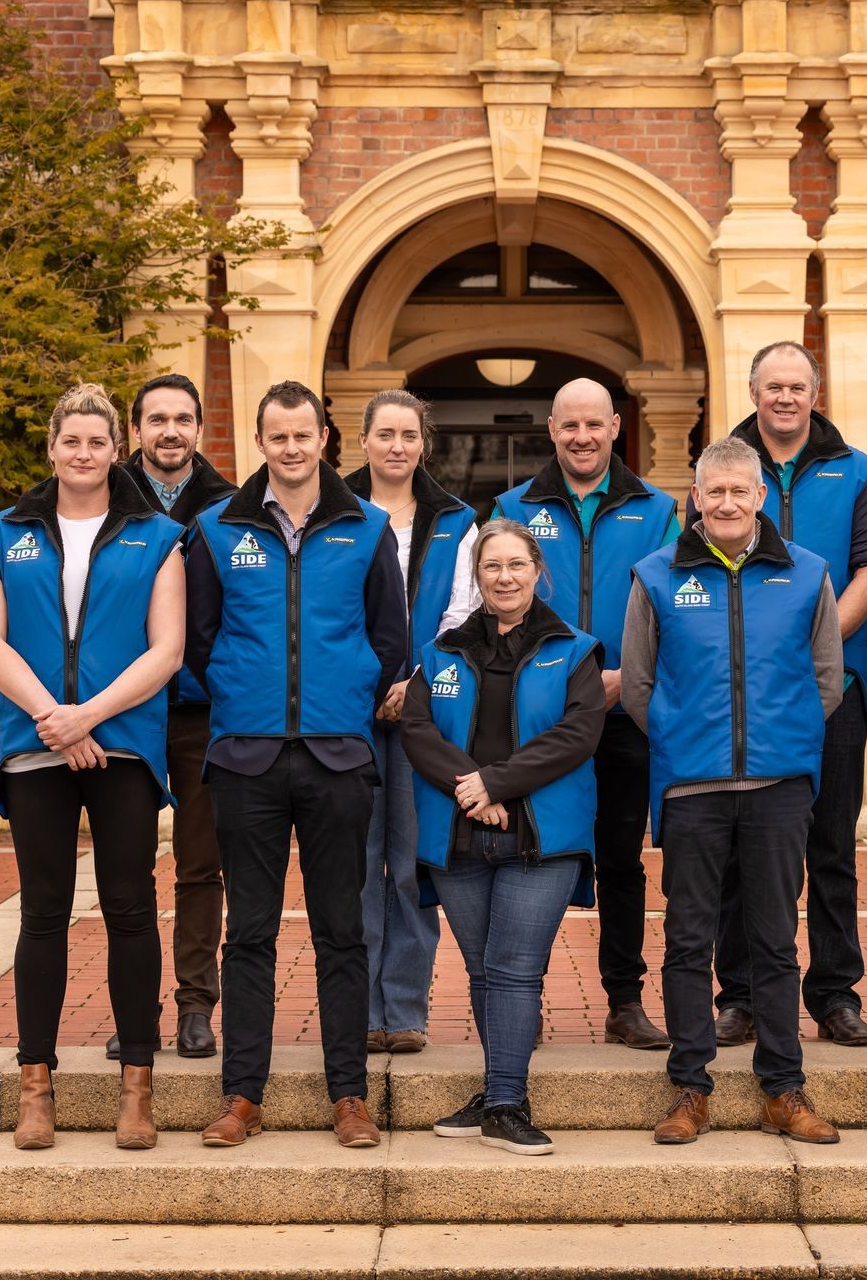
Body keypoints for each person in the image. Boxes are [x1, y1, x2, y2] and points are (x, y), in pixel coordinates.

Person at [185, 380, 410, 1149]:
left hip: (337, 756)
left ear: (324, 439)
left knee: (342, 931)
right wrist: (241, 695)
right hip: (245, 758)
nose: (290, 448)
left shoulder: (366, 525)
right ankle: (242, 1093)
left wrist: (345, 696)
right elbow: (196, 640)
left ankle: (348, 1094)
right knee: (248, 932)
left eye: (302, 435)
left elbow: (391, 639)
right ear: (260, 441)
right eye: (276, 436)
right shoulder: (216, 529)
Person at [0, 383, 186, 1152]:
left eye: (98, 442)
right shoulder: (6, 533)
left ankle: (137, 1087)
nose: (85, 453)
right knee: (44, 913)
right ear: (52, 448)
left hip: (121, 745)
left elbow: (167, 649)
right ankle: (37, 1087)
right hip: (36, 747)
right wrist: (52, 723)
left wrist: (86, 716)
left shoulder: (156, 536)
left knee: (130, 909)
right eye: (72, 441)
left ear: (114, 450)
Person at [624, 437, 844, 1146]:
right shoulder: (656, 575)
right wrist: (680, 732)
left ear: (758, 497)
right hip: (692, 784)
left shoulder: (807, 573)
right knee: (688, 939)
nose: (724, 503)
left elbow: (827, 677)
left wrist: (787, 739)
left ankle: (784, 1086)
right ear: (695, 498)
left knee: (775, 939)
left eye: (737, 491)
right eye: (711, 491)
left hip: (779, 783)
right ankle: (691, 1086)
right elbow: (637, 684)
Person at [705, 341, 867, 1050]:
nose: (785, 397)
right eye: (772, 385)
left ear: (816, 391)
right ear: (752, 390)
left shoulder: (856, 470)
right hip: (742, 696)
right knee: (738, 849)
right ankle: (742, 994)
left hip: (833, 689)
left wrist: (809, 645)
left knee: (831, 846)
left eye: (797, 386)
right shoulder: (725, 462)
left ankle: (835, 991)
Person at [401, 519, 605, 1156]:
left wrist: (496, 785)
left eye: (517, 565)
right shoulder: (440, 654)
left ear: (538, 572)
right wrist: (471, 789)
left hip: (539, 840)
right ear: (477, 577)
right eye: (492, 567)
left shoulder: (575, 651)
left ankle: (507, 1104)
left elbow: (576, 736)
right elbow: (417, 730)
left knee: (515, 971)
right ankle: (496, 1091)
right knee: (484, 973)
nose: (505, 577)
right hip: (460, 840)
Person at [493, 378, 680, 1050]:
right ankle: (525, 994)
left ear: (615, 428)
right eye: (569, 425)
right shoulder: (513, 506)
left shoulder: (657, 510)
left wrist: (624, 676)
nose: (581, 437)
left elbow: (671, 608)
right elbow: (499, 602)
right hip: (542, 719)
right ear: (551, 428)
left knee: (623, 860)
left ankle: (624, 1000)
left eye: (593, 425)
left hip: (625, 710)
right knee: (534, 858)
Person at [344, 389, 480, 1055]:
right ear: (362, 440)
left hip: (425, 712)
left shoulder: (456, 520)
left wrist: (416, 683)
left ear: (423, 443)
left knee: (410, 861)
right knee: (357, 865)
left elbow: (463, 617)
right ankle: (360, 1007)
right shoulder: (332, 513)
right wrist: (364, 684)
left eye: (409, 434)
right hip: (346, 712)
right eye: (385, 434)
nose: (397, 446)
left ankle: (404, 1008)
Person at [112, 372, 237, 1063]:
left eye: (182, 418)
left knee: (200, 865)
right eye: (156, 418)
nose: (169, 430)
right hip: (124, 707)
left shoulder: (229, 505)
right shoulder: (101, 499)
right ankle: (134, 1011)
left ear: (198, 429)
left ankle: (196, 1005)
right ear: (136, 429)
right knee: (125, 868)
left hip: (199, 710)